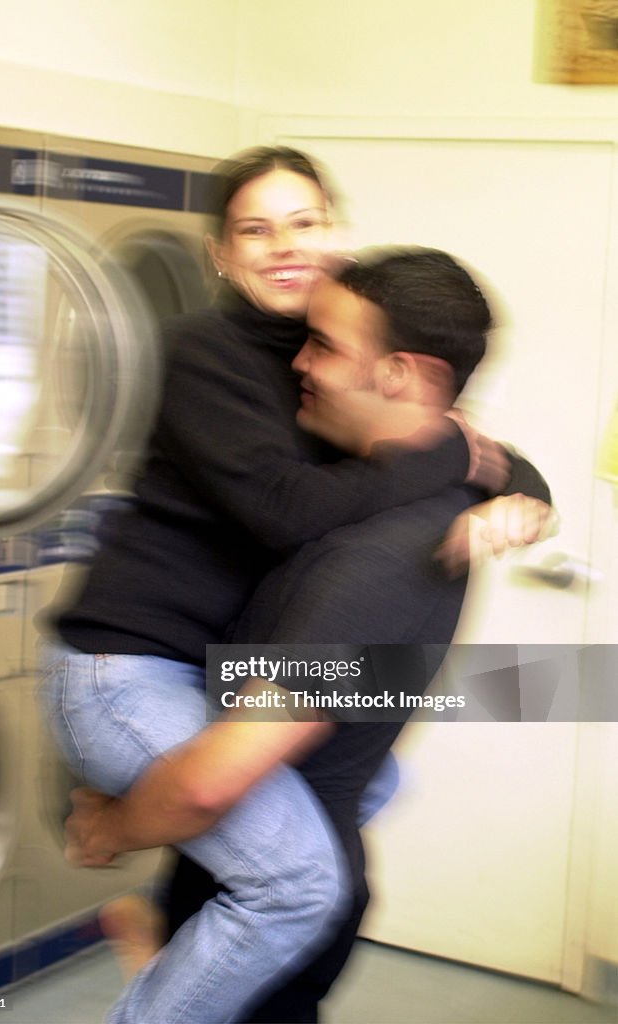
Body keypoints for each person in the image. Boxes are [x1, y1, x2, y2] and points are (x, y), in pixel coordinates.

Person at [39, 148, 552, 1024]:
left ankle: (153, 939)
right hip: (130, 664)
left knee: (364, 789)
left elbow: (473, 440)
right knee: (297, 880)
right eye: (254, 229)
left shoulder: (355, 343)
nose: (284, 245)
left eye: (305, 222)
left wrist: (524, 494)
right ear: (221, 257)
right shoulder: (206, 352)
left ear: (338, 236)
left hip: (223, 665)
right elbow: (284, 508)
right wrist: (442, 452)